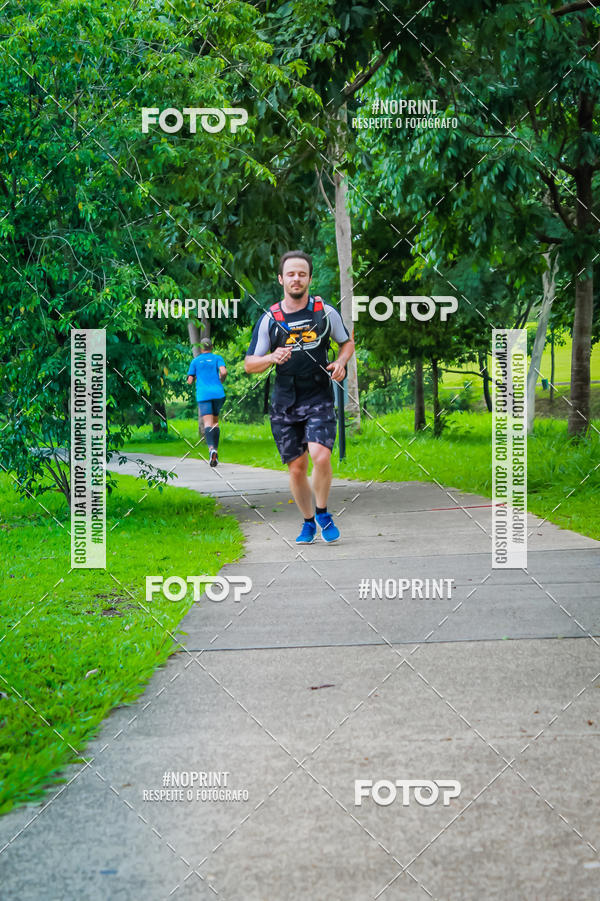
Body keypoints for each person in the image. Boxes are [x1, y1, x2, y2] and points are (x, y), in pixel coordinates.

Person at [244, 250, 355, 543]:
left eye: (302, 274)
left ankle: (322, 512)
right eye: (291, 274)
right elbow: (249, 364)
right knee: (297, 468)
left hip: (318, 394)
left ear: (309, 278)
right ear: (281, 279)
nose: (296, 279)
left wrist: (341, 363)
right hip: (284, 399)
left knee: (320, 455)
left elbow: (347, 343)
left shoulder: (324, 312)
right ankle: (308, 522)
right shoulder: (271, 318)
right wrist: (271, 357)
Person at [187, 337, 227, 467]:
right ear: (212, 346)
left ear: (200, 347)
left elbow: (190, 380)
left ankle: (211, 450)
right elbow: (223, 371)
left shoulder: (195, 361)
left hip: (204, 395)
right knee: (215, 422)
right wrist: (222, 380)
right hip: (218, 393)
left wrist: (192, 378)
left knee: (208, 423)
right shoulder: (217, 358)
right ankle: (216, 449)